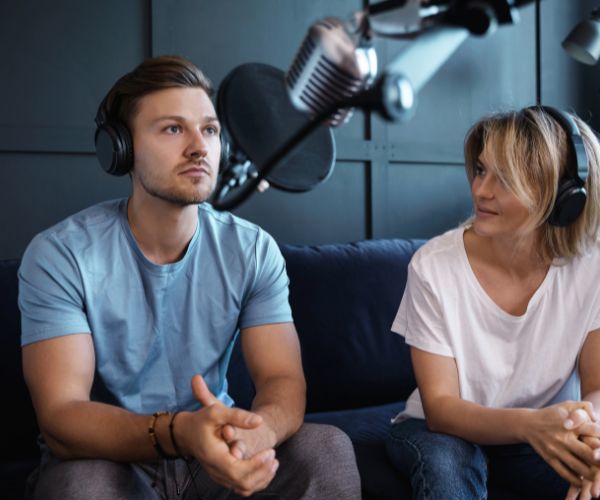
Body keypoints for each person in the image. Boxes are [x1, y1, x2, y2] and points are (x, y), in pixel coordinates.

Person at [18, 55, 361, 499]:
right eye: (173, 129)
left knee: (326, 449)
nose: (199, 147)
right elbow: (62, 415)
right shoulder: (61, 254)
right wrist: (180, 432)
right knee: (80, 485)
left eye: (210, 130)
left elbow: (282, 379)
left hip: (214, 450)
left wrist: (254, 436)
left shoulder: (253, 249)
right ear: (121, 148)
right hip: (111, 458)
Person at [385, 106, 600, 500]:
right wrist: (530, 425)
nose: (480, 190)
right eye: (482, 170)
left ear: (563, 197)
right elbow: (441, 408)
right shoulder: (433, 266)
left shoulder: (592, 266)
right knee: (446, 464)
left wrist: (590, 438)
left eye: (505, 179)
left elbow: (598, 388)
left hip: (543, 431)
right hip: (445, 431)